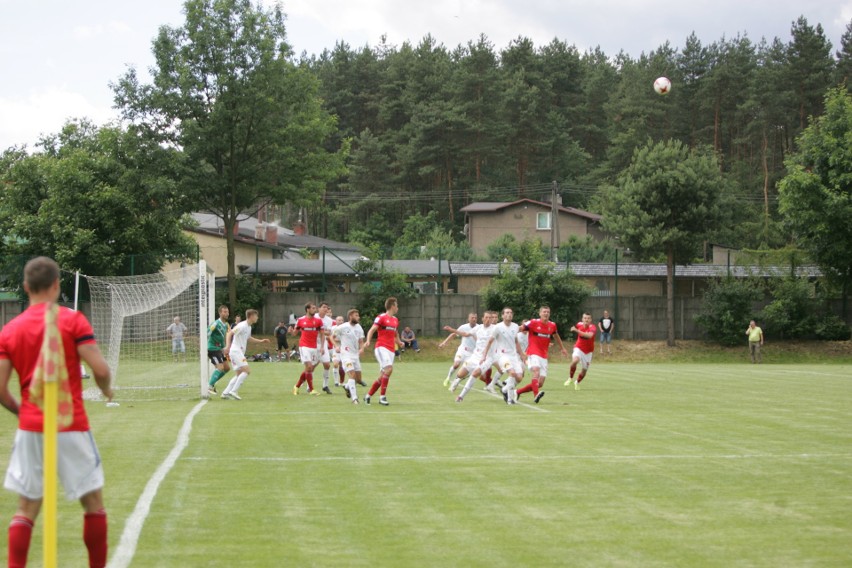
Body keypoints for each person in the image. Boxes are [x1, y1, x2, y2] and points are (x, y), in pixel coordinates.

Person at [0, 256, 113, 568]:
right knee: (92, 504)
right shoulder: (72, 320)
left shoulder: (10, 330)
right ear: (56, 285)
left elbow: (0, 390)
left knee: (26, 508)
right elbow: (100, 370)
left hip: (31, 428)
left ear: (25, 287)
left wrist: (23, 412)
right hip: (70, 425)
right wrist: (105, 390)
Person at [516, 306, 568, 404]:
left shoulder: (552, 325)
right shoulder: (533, 322)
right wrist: (509, 331)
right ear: (540, 313)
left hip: (544, 355)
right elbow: (520, 328)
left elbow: (556, 336)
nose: (546, 314)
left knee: (540, 383)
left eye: (548, 312)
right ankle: (536, 396)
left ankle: (517, 392)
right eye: (544, 312)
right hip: (533, 353)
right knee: (536, 372)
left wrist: (562, 348)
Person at [444, 311, 496, 402]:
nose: (488, 319)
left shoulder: (495, 329)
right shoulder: (478, 328)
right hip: (475, 356)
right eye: (486, 317)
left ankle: (460, 397)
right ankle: (456, 381)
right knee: (460, 374)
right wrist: (452, 330)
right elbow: (465, 334)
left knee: (475, 373)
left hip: (487, 358)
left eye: (490, 318)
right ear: (483, 319)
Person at [221, 309, 270, 400]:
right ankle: (234, 391)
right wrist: (227, 346)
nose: (257, 318)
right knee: (247, 371)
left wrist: (261, 341)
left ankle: (225, 393)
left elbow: (248, 338)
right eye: (256, 316)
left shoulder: (248, 327)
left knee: (239, 374)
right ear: (251, 316)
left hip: (237, 352)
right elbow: (229, 333)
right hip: (236, 351)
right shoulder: (242, 325)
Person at [363, 297, 403, 406]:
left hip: (391, 350)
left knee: (383, 375)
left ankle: (368, 395)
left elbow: (395, 334)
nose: (397, 307)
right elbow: (372, 330)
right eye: (397, 305)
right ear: (392, 306)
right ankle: (382, 397)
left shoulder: (395, 320)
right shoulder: (381, 317)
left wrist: (399, 342)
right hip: (381, 347)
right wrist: (368, 341)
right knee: (389, 369)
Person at [486, 308, 527, 405]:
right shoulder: (498, 327)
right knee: (512, 373)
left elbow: (516, 341)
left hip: (513, 356)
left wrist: (522, 354)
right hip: (502, 356)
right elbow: (490, 341)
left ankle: (504, 389)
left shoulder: (515, 326)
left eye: (511, 313)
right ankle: (510, 399)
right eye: (507, 313)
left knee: (519, 377)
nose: (509, 314)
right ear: (503, 315)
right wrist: (484, 355)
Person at [331, 309, 365, 404]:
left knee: (358, 379)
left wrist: (362, 349)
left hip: (355, 355)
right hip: (346, 355)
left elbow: (361, 341)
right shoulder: (343, 327)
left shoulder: (359, 328)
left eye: (358, 315)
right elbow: (332, 337)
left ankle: (346, 386)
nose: (358, 317)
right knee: (352, 375)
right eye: (356, 315)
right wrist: (336, 346)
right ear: (350, 316)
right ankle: (354, 399)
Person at [290, 302, 323, 395]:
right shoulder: (300, 320)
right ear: (307, 309)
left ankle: (296, 386)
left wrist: (322, 347)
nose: (315, 310)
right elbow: (294, 334)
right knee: (308, 367)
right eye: (313, 308)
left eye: (315, 308)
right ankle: (312, 390)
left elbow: (322, 334)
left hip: (314, 347)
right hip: (304, 346)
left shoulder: (318, 321)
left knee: (309, 369)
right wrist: (291, 331)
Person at [438, 312, 478, 387]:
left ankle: (457, 380)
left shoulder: (479, 328)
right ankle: (448, 378)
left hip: (472, 354)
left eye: (475, 318)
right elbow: (454, 334)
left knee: (469, 371)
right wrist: (444, 343)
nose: (474, 319)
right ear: (468, 319)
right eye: (472, 317)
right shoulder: (464, 327)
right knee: (456, 364)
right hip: (462, 350)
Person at [565, 313, 597, 390]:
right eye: (585, 318)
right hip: (578, 348)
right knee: (575, 361)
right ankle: (570, 378)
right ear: (582, 319)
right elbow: (574, 328)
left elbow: (589, 336)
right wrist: (574, 329)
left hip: (588, 352)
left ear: (591, 320)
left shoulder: (592, 327)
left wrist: (576, 331)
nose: (586, 320)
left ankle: (577, 382)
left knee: (584, 371)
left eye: (588, 318)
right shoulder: (579, 324)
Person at [207, 305, 232, 395]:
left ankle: (211, 384)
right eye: (224, 312)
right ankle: (209, 386)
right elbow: (208, 332)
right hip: (212, 348)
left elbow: (227, 336)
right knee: (220, 367)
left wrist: (226, 347)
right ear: (220, 313)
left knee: (227, 368)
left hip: (219, 350)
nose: (227, 314)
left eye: (227, 312)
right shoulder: (216, 324)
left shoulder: (226, 324)